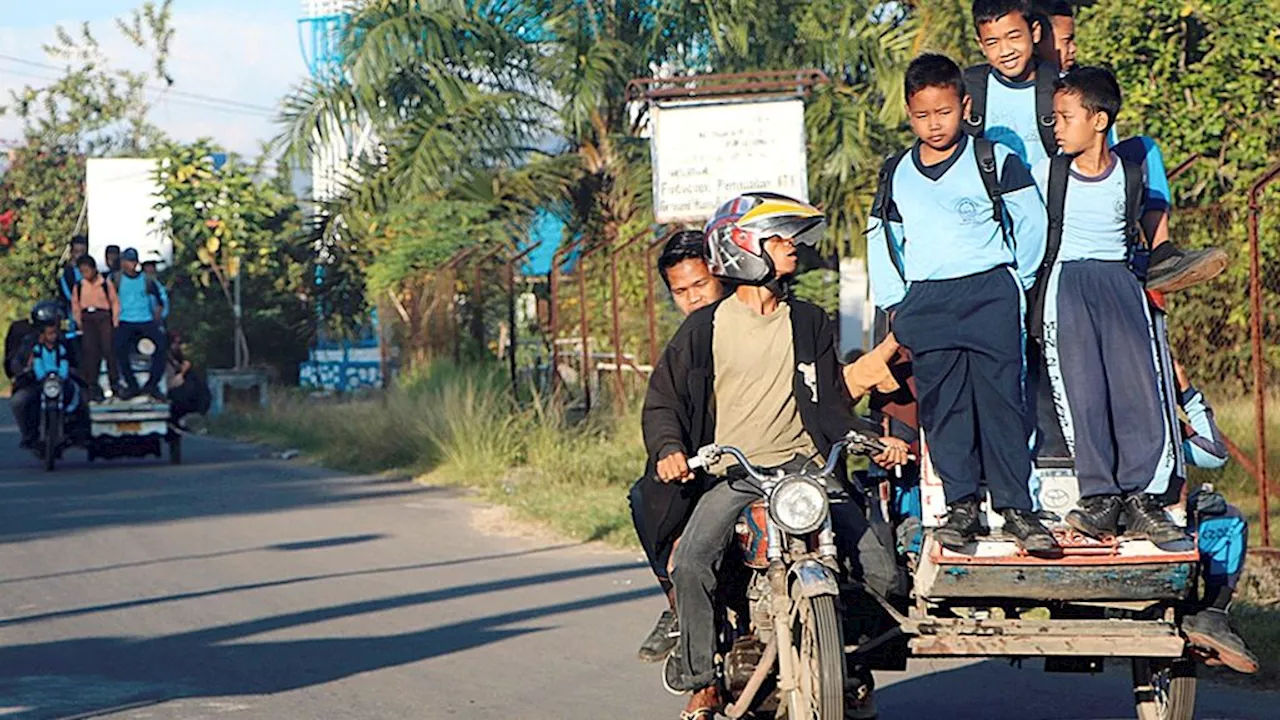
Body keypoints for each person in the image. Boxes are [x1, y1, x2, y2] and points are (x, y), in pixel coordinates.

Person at [646, 193, 901, 719]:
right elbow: (665, 401)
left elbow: (830, 402)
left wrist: (872, 436)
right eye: (779, 240)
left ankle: (847, 667)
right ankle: (702, 680)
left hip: (806, 472)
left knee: (883, 569)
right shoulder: (704, 327)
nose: (791, 249)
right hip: (734, 474)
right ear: (744, 247)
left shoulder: (809, 320)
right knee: (692, 564)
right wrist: (670, 449)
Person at [867, 53, 1057, 554]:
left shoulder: (992, 158)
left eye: (944, 112)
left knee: (1001, 403)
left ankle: (1017, 509)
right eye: (923, 115)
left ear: (965, 107)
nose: (934, 124)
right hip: (927, 302)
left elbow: (1030, 221)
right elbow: (884, 237)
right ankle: (962, 507)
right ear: (910, 114)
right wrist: (896, 302)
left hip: (989, 294)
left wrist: (1020, 277)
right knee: (944, 409)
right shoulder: (896, 174)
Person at [1029, 67, 1186, 548]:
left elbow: (1147, 227)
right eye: (1054, 117)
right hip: (1067, 287)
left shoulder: (1132, 174)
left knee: (1138, 389)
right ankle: (1099, 497)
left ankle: (1143, 498)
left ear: (1098, 121)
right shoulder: (1047, 174)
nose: (1056, 126)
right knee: (1083, 393)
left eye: (1065, 117)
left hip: (1119, 282)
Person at [1010, 0, 1227, 293]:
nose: (1073, 49)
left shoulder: (1080, 86)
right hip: (1053, 182)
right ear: (1038, 39)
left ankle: (1161, 251)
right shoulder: (1036, 89)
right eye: (1066, 40)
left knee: (1144, 150)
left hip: (1093, 171)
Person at [631, 230, 726, 664]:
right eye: (681, 292)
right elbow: (662, 404)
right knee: (647, 497)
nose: (693, 299)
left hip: (778, 460)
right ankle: (675, 604)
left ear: (722, 275)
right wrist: (669, 449)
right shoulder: (684, 341)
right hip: (706, 462)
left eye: (700, 285)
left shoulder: (768, 319)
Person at [8, 302, 79, 449]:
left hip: (62, 382)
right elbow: (17, 361)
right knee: (18, 401)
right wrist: (22, 371)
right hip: (36, 383)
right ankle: (29, 435)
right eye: (52, 324)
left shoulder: (65, 340)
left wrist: (73, 371)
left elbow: (76, 360)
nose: (55, 328)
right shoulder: (28, 341)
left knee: (83, 399)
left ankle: (78, 431)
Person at [112, 247, 168, 401]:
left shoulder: (147, 280)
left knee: (162, 346)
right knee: (119, 349)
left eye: (132, 261)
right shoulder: (115, 279)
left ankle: (152, 384)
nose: (130, 264)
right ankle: (132, 385)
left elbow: (160, 301)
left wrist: (157, 316)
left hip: (145, 320)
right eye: (127, 261)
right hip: (125, 321)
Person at [71, 254, 120, 401]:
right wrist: (79, 322)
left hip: (103, 317)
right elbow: (75, 305)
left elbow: (114, 302)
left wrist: (115, 321)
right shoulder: (79, 286)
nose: (85, 274)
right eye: (82, 271)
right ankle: (93, 387)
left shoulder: (105, 284)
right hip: (88, 319)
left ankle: (115, 384)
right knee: (91, 353)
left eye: (87, 270)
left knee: (108, 349)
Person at [141, 257, 171, 327]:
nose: (151, 269)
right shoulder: (143, 283)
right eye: (148, 266)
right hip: (149, 320)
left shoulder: (157, 283)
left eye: (153, 266)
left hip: (160, 320)